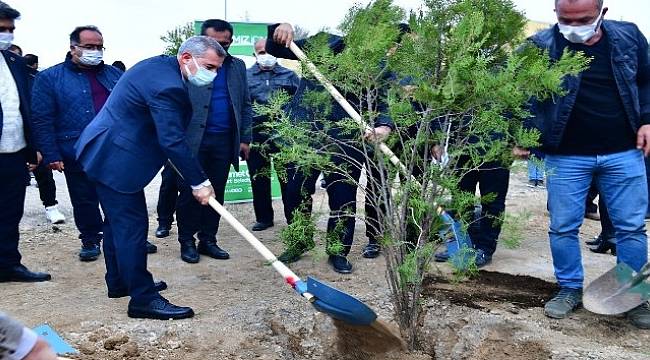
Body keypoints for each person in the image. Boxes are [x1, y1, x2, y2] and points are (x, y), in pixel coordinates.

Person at [75, 36, 225, 319]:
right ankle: (143, 298)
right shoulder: (168, 86)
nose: (213, 75)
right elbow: (172, 140)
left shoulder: (160, 66)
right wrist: (199, 182)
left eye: (217, 68)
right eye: (209, 66)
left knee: (116, 224)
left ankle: (120, 282)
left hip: (105, 150)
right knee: (131, 227)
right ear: (186, 58)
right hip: (115, 159)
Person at [523, 0, 650, 328]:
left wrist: (648, 120)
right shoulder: (540, 47)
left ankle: (634, 294)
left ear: (602, 14)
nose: (574, 26)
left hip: (624, 152)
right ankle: (569, 288)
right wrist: (525, 134)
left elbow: (647, 82)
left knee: (631, 229)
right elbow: (523, 96)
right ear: (556, 14)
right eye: (566, 19)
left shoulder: (628, 38)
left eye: (583, 20)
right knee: (563, 226)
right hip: (565, 156)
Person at [267, 23, 394, 273]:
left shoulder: (377, 64)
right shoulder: (323, 43)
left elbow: (383, 100)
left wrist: (384, 126)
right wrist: (278, 29)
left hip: (346, 141)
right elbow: (276, 48)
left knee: (343, 199)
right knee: (295, 193)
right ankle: (299, 240)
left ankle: (337, 251)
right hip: (304, 136)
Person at [31, 26, 143, 262]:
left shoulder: (114, 74)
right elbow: (42, 119)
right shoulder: (49, 78)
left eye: (99, 47)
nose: (95, 51)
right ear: (73, 48)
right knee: (84, 197)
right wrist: (51, 154)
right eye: (89, 47)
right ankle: (91, 239)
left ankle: (126, 238)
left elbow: (133, 108)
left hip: (117, 148)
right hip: (76, 149)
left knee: (122, 195)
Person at [175, 19, 253, 264]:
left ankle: (208, 239)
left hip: (224, 140)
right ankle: (186, 241)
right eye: (216, 43)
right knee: (190, 191)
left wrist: (245, 138)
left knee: (216, 191)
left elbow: (245, 103)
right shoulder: (187, 65)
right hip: (192, 141)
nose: (223, 48)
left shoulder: (237, 66)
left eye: (227, 43)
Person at [0, 0, 51, 283]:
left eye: (10, 30)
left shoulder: (15, 62)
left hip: (13, 152)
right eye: (1, 28)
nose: (7, 35)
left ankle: (8, 265)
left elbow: (25, 108)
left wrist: (34, 148)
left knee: (10, 211)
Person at [246, 38, 299, 231]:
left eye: (268, 51)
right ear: (255, 55)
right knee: (259, 178)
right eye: (261, 52)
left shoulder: (290, 75)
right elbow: (241, 108)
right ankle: (264, 218)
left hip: (284, 136)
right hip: (256, 136)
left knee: (288, 180)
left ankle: (292, 218)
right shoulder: (245, 77)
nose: (265, 55)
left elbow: (301, 104)